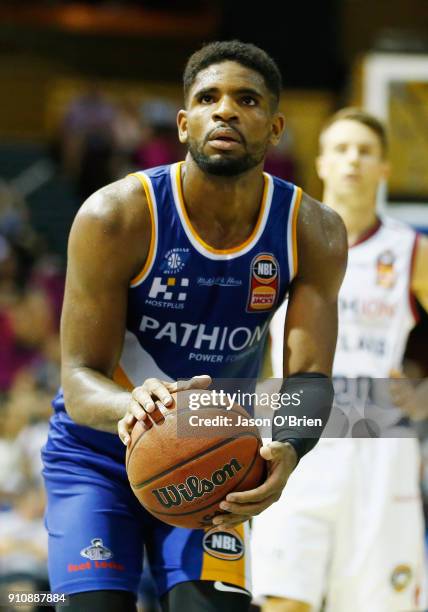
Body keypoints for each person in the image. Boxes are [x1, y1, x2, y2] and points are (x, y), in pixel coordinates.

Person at [41, 41, 347, 612]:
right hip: (97, 458)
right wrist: (133, 408)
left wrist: (290, 447)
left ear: (275, 126)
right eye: (208, 98)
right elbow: (79, 378)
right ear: (184, 124)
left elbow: (309, 378)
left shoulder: (313, 230)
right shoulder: (116, 216)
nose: (225, 110)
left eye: (246, 100)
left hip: (216, 462)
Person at [251, 108, 428, 612]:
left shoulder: (410, 250)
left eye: (365, 151)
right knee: (285, 601)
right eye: (343, 149)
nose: (353, 159)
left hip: (379, 446)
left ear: (384, 169)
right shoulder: (282, 241)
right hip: (295, 436)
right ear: (322, 162)